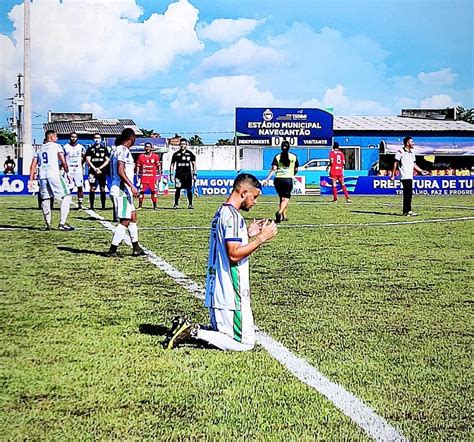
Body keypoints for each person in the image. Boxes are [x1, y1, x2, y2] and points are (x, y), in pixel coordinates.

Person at [163, 173, 277, 350]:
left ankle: (186, 329)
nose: (255, 202)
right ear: (244, 192)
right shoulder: (232, 217)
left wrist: (247, 234)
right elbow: (233, 255)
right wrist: (261, 238)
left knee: (224, 334)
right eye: (254, 197)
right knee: (245, 343)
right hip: (230, 292)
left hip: (218, 289)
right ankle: (192, 331)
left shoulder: (222, 212)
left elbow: (227, 246)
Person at [107, 128, 145, 257]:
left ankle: (136, 247)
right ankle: (112, 250)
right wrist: (131, 185)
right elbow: (120, 170)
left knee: (133, 217)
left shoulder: (115, 150)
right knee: (125, 220)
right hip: (121, 189)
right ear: (131, 138)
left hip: (121, 189)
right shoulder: (123, 150)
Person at [28, 130, 74, 230]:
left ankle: (48, 224)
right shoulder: (57, 146)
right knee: (67, 196)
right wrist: (67, 172)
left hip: (42, 176)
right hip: (54, 175)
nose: (57, 138)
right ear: (51, 137)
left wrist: (31, 180)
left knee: (45, 199)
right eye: (56, 136)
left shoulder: (39, 149)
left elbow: (33, 165)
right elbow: (63, 161)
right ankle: (62, 223)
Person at [391, 136, 429, 216]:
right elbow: (395, 163)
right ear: (407, 143)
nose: (413, 143)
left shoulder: (412, 152)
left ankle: (407, 211)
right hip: (404, 175)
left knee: (409, 193)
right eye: (412, 142)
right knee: (408, 193)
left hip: (410, 176)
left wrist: (421, 171)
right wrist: (393, 175)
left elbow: (414, 165)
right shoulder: (400, 151)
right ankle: (407, 211)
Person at [262, 140, 299, 223]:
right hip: (288, 179)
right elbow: (296, 169)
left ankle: (284, 215)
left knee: (281, 197)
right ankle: (279, 212)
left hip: (278, 179)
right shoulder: (293, 157)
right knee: (286, 198)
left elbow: (274, 169)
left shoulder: (277, 156)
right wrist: (292, 173)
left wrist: (267, 179)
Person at [169, 138, 196, 209]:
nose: (182, 145)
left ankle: (190, 204)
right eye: (181, 144)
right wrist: (171, 174)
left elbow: (194, 164)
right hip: (178, 175)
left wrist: (195, 174)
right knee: (178, 189)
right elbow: (172, 164)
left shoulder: (190, 154)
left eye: (184, 144)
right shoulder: (176, 154)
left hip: (187, 175)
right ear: (179, 145)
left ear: (186, 145)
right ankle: (176, 204)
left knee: (189, 189)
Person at [85, 133, 110, 210]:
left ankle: (103, 206)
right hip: (92, 171)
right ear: (93, 139)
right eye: (95, 138)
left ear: (101, 139)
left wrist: (100, 168)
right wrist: (95, 168)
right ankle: (91, 206)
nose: (97, 139)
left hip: (102, 171)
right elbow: (88, 160)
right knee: (92, 188)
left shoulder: (104, 149)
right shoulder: (90, 149)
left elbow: (107, 160)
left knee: (102, 188)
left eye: (98, 138)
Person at [63, 132, 86, 209]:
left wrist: (81, 164)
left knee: (79, 186)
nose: (73, 138)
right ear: (69, 138)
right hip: (69, 169)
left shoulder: (81, 147)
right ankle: (67, 202)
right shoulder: (65, 147)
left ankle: (80, 203)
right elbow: (62, 158)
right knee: (68, 187)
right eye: (72, 137)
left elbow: (84, 157)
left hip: (78, 169)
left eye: (75, 137)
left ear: (77, 138)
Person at [136, 142, 161, 210]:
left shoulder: (155, 156)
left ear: (151, 148)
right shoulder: (141, 156)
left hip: (152, 178)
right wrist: (137, 175)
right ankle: (140, 206)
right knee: (141, 192)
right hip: (144, 177)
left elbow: (159, 166)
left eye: (149, 147)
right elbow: (138, 166)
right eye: (146, 147)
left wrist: (159, 175)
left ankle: (155, 206)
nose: (147, 148)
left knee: (153, 192)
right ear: (144, 148)